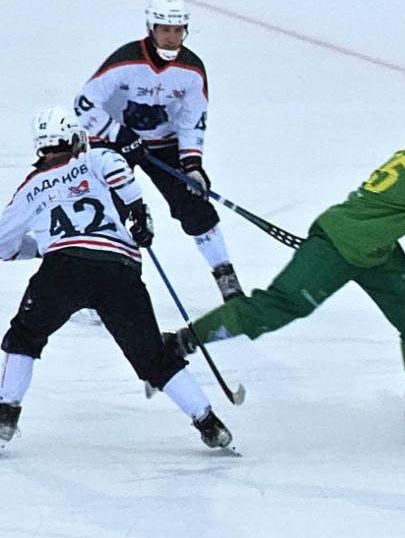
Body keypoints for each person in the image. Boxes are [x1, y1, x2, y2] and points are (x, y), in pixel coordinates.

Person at [169, 98, 405, 433]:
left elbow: (396, 203)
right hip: (339, 246)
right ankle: (181, 341)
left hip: (375, 249)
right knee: (275, 308)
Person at [0, 107, 233, 451]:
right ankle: (209, 422)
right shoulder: (93, 159)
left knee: (25, 336)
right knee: (152, 356)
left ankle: (5, 416)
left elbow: (4, 245)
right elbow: (118, 169)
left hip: (62, 270)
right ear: (74, 137)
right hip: (119, 268)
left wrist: (45, 246)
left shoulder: (29, 189)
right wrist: (139, 213)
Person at [74, 0, 244, 303]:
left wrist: (192, 165)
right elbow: (84, 106)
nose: (170, 38)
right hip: (116, 142)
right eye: (165, 30)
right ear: (151, 28)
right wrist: (119, 134)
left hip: (163, 144)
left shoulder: (192, 70)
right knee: (110, 211)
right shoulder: (124, 61)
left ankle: (226, 278)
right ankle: (96, 288)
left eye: (177, 30)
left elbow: (193, 120)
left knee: (196, 207)